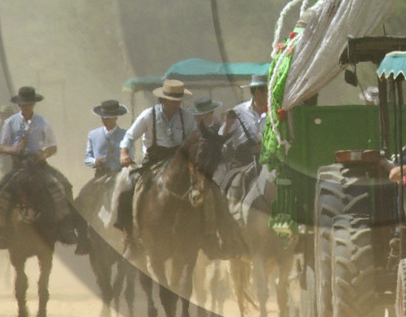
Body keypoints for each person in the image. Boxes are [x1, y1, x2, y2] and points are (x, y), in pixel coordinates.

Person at [0, 87, 88, 253]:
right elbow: (1, 147)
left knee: (64, 185)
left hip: (39, 165)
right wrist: (13, 149)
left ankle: (66, 227)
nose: (26, 107)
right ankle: (2, 231)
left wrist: (42, 154)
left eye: (28, 104)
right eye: (23, 104)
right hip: (19, 166)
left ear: (33, 104)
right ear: (19, 105)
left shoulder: (43, 122)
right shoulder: (10, 122)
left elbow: (53, 147)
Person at [116, 79, 200, 231]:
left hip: (179, 163)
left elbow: (194, 139)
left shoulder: (187, 117)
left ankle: (208, 234)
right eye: (172, 101)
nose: (176, 105)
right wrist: (124, 153)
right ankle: (128, 231)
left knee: (203, 190)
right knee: (128, 186)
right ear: (162, 99)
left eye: (178, 101)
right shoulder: (149, 115)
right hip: (153, 160)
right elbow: (129, 136)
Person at [220, 75, 270, 168]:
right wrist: (228, 124)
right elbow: (221, 137)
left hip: (268, 163)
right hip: (242, 164)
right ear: (258, 93)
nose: (271, 94)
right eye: (269, 91)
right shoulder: (238, 111)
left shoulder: (274, 112)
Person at [83, 100, 129, 176]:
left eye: (108, 119)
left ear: (115, 118)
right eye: (103, 118)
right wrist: (95, 162)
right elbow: (87, 158)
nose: (105, 121)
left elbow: (129, 156)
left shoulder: (125, 135)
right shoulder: (93, 135)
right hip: (100, 175)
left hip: (120, 175)